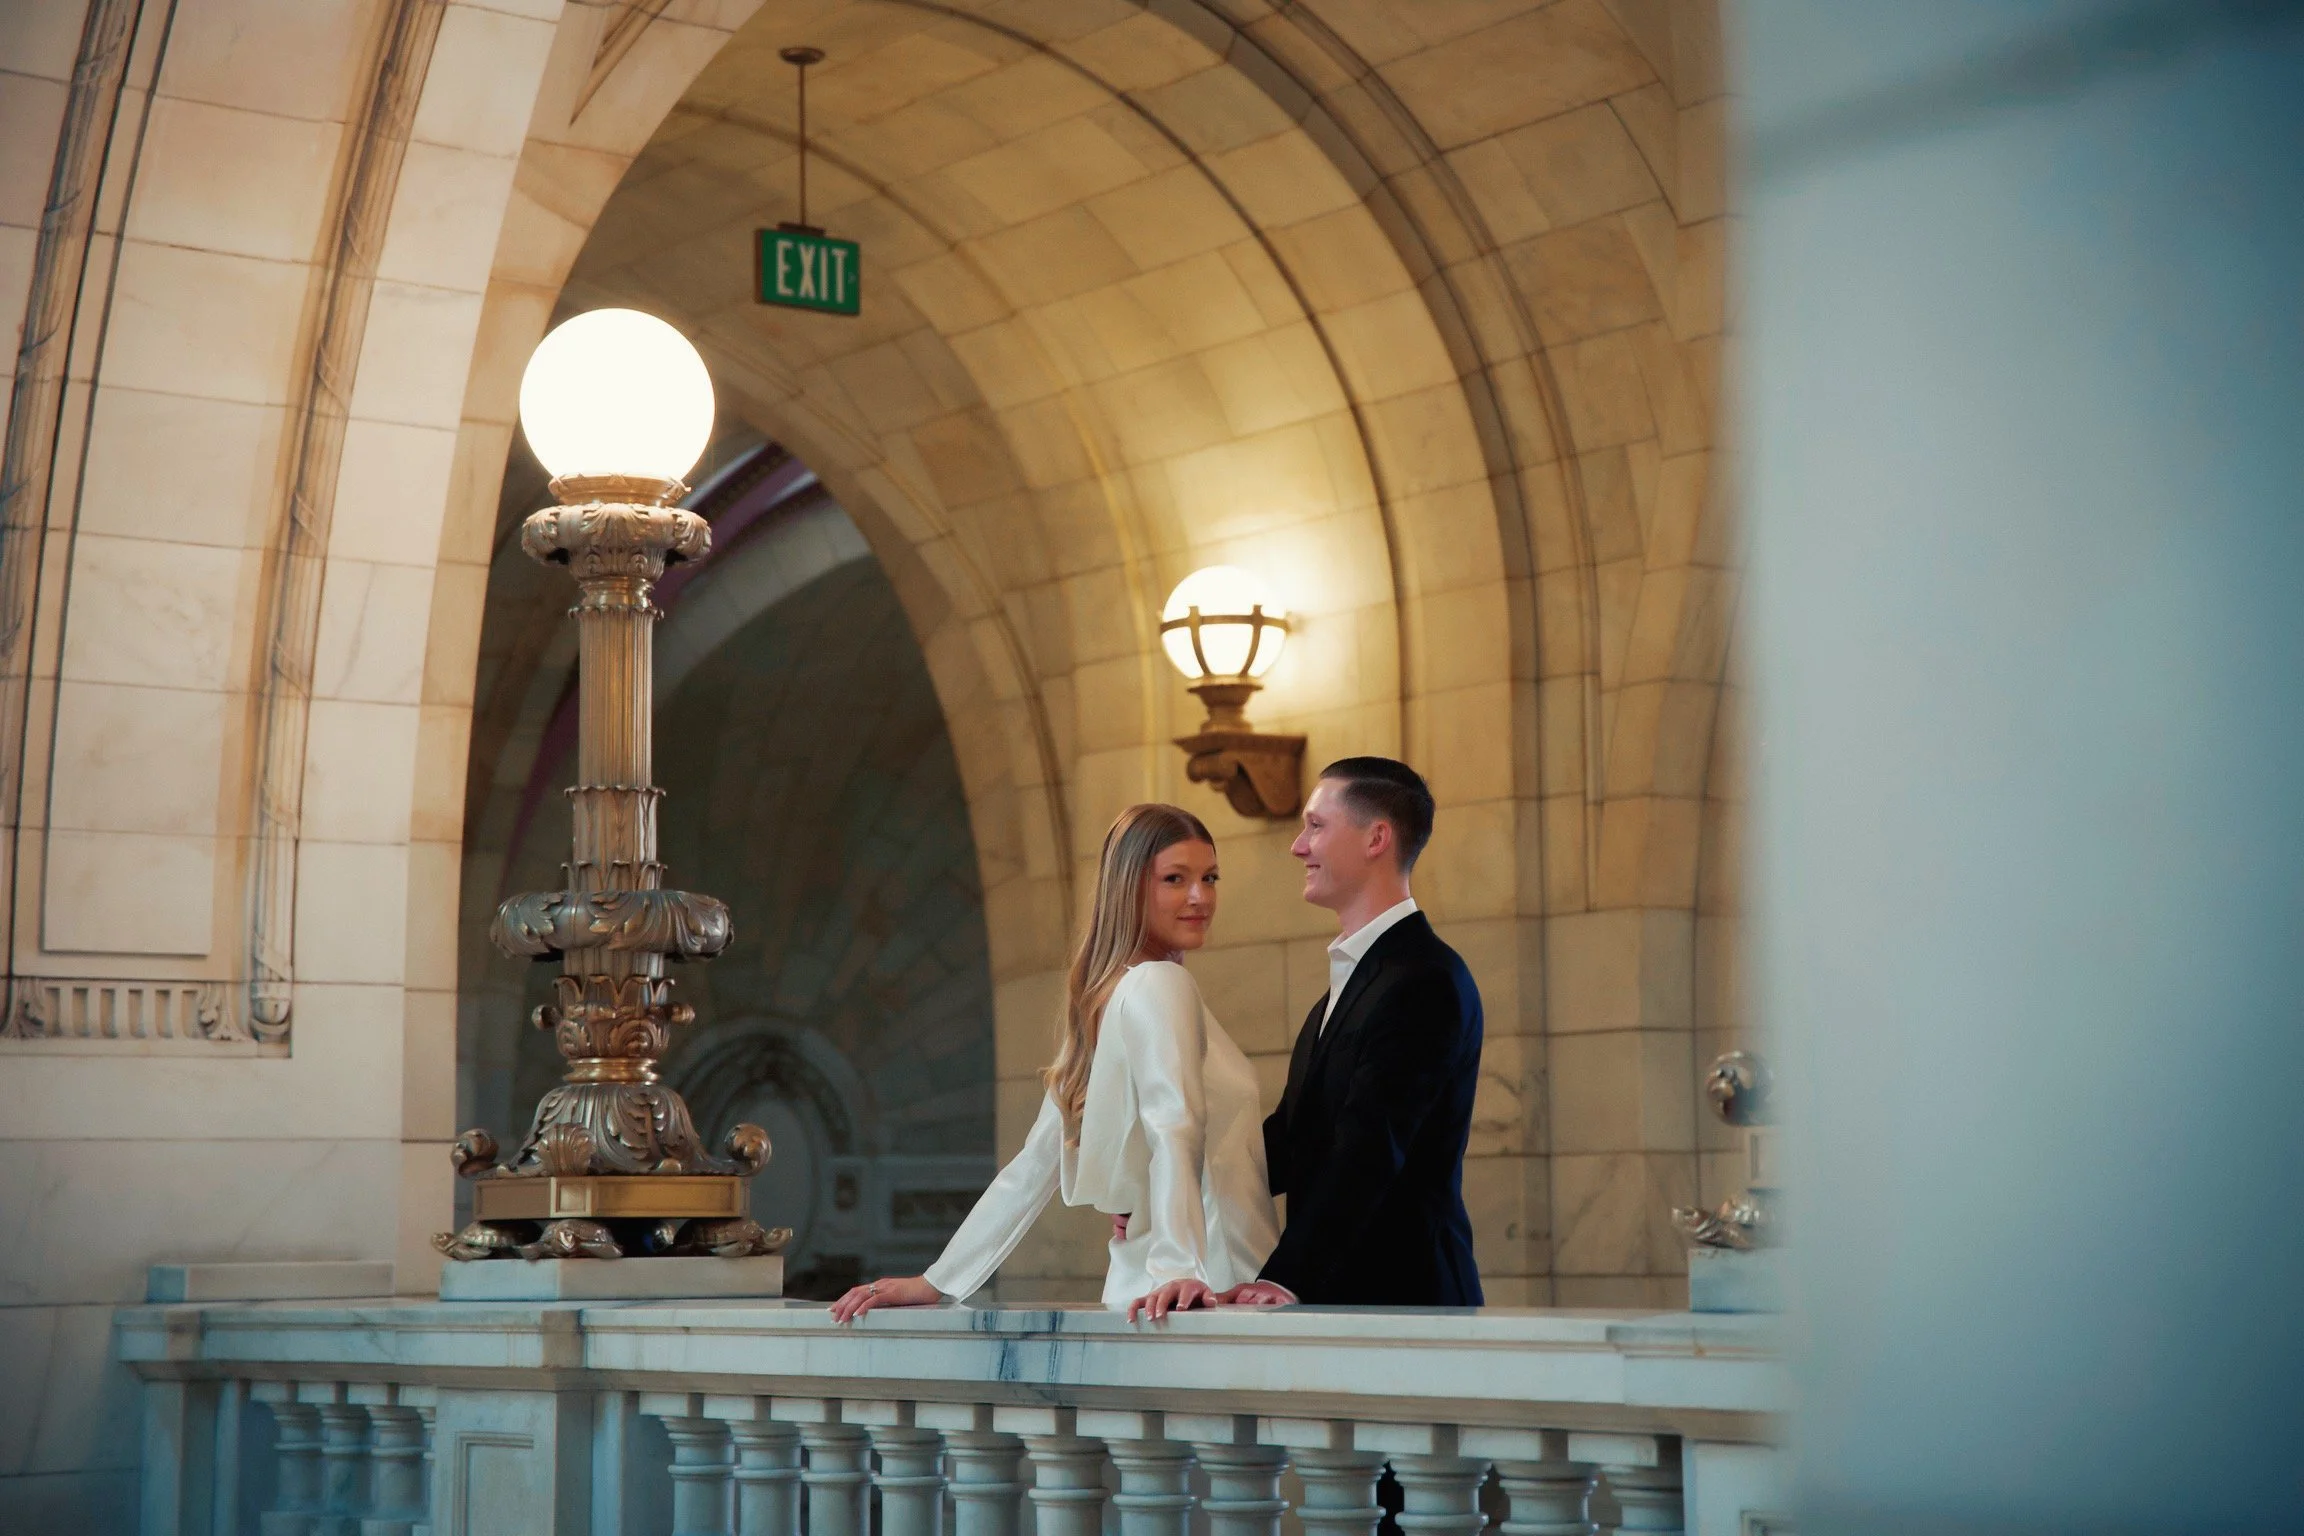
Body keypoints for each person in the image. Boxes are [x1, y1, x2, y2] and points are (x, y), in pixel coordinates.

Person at [828, 804, 1279, 1323]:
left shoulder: (1111, 995)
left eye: (1210, 877)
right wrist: (1181, 1267)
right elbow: (1175, 1125)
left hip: (1152, 1290)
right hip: (1207, 1291)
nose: (1200, 897)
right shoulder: (1160, 984)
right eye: (1175, 879)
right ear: (1128, 887)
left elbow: (1036, 1164)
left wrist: (941, 1279)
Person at [1219, 756, 1484, 1309]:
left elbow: (1370, 1147)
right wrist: (1164, 1196)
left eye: (1316, 826)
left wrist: (1283, 1277)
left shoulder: (1423, 980)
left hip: (1407, 1305)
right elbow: (1292, 1142)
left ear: (1376, 838)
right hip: (1348, 1304)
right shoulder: (1343, 992)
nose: (1298, 846)